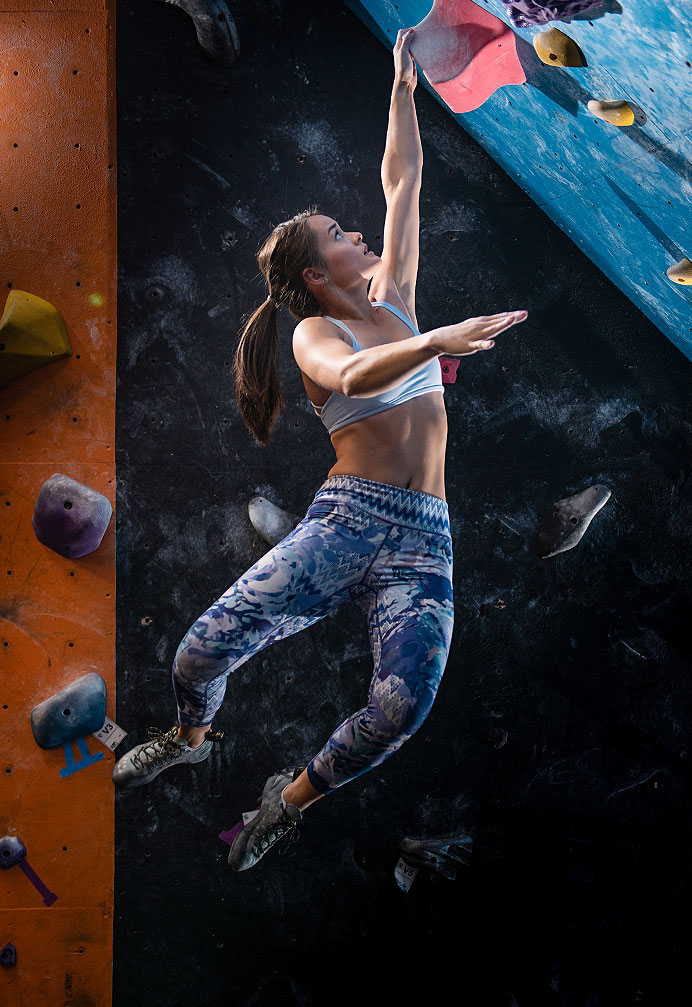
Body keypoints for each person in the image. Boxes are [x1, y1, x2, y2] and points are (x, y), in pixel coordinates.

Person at [112, 28, 528, 872]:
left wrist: (402, 92)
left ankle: (285, 799)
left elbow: (403, 182)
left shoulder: (396, 296)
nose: (359, 234)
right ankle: (191, 737)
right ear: (316, 271)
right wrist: (435, 340)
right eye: (341, 232)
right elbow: (359, 369)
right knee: (198, 650)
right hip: (348, 520)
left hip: (423, 536)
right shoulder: (315, 333)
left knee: (403, 706)